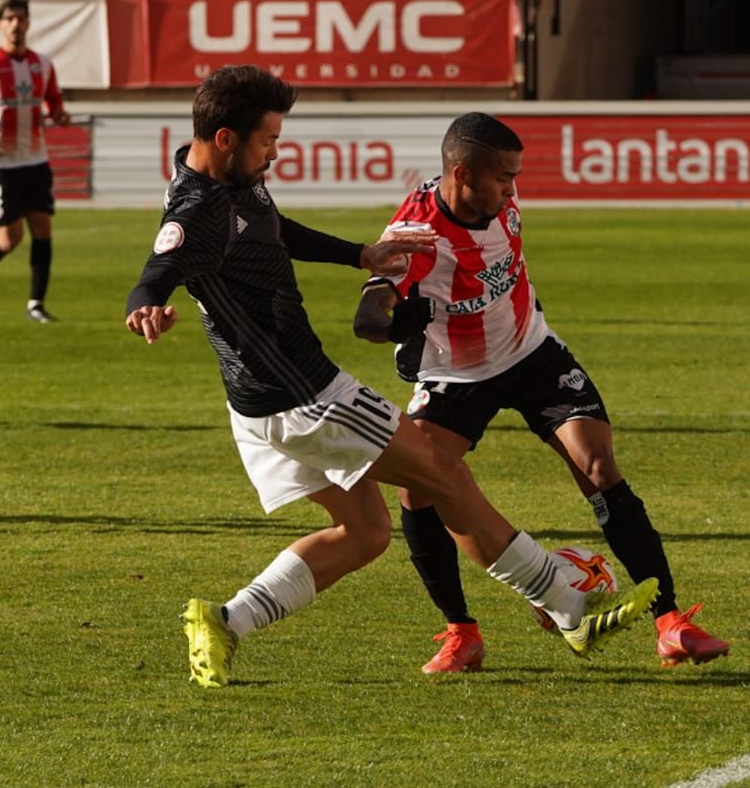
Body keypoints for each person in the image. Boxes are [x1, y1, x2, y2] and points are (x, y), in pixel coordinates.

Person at [124, 68, 657, 688]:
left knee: (365, 533)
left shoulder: (226, 179)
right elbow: (159, 266)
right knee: (444, 474)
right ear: (224, 137)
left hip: (256, 407)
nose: (275, 151)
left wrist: (359, 254)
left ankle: (223, 621)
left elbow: (271, 228)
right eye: (267, 140)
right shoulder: (198, 209)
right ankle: (570, 604)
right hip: (305, 395)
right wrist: (147, 306)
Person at [353, 112, 732, 672]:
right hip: (455, 377)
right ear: (462, 174)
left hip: (533, 355)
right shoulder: (413, 236)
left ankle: (670, 622)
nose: (513, 189)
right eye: (503, 176)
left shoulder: (498, 202)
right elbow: (366, 317)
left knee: (600, 468)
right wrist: (399, 322)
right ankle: (462, 634)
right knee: (419, 491)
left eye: (515, 176)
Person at [0, 0, 70, 323]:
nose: (16, 24)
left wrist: (60, 115)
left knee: (43, 230)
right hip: (2, 166)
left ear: (28, 23)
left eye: (21, 18)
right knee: (11, 237)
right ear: (0, 24)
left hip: (36, 160)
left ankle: (36, 304)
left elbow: (54, 103)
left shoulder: (43, 64)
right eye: (9, 18)